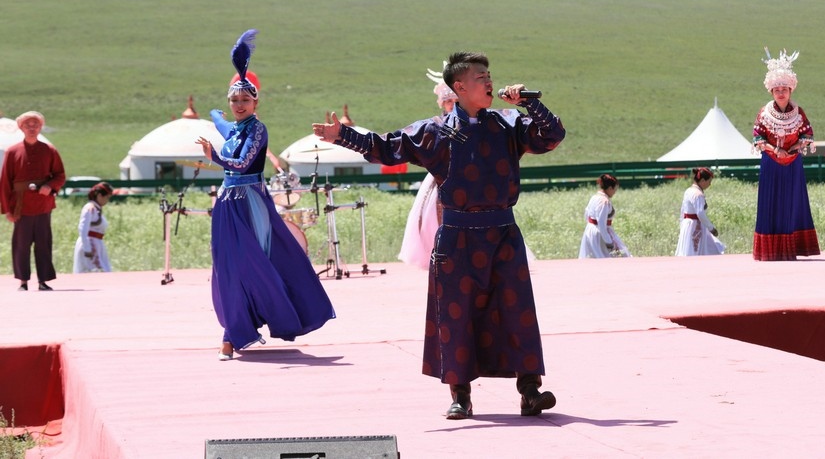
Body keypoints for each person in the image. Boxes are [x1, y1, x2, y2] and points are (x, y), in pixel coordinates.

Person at [313, 51, 565, 420]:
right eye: (480, 77)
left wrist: (529, 102)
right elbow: (387, 147)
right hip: (457, 238)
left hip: (503, 234)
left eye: (489, 75)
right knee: (455, 315)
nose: (489, 81)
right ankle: (461, 396)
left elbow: (552, 135)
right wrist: (344, 135)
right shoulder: (435, 131)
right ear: (459, 87)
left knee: (517, 312)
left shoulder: (507, 124)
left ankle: (530, 391)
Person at [196, 29, 335, 361]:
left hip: (251, 204)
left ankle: (243, 329)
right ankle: (233, 332)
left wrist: (214, 157)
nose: (239, 105)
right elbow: (225, 127)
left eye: (245, 100)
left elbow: (243, 163)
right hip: (227, 205)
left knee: (255, 265)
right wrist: (215, 116)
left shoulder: (258, 129)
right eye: (234, 101)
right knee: (227, 268)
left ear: (256, 103)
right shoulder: (235, 128)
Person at [751, 48, 820, 261]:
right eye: (777, 89)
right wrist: (775, 150)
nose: (781, 93)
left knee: (792, 203)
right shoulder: (764, 113)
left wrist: (795, 147)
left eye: (784, 89)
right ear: (771, 91)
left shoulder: (799, 113)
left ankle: (791, 248)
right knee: (770, 203)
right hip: (771, 164)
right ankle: (770, 251)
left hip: (793, 163)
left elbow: (807, 134)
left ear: (790, 90)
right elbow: (757, 138)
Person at [396, 64, 458, 269]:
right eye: (448, 101)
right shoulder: (437, 125)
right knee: (433, 214)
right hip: (441, 175)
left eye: (455, 100)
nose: (452, 104)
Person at [0, 111, 66, 291]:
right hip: (20, 206)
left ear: (40, 127)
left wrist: (50, 186)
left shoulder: (49, 150)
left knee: (43, 243)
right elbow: (5, 182)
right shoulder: (12, 151)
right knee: (21, 244)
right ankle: (23, 281)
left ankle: (43, 281)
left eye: (35, 124)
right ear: (21, 127)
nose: (31, 128)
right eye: (27, 125)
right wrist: (7, 210)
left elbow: (60, 175)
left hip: (43, 204)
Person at [675, 167, 726, 256]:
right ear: (702, 180)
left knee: (695, 250)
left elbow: (683, 210)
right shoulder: (698, 194)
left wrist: (682, 224)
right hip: (695, 226)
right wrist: (711, 228)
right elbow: (700, 213)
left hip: (687, 225)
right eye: (709, 182)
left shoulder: (689, 191)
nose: (709, 184)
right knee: (695, 251)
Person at [578, 174, 631, 258]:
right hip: (600, 234)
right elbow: (602, 224)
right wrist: (609, 242)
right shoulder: (604, 202)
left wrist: (591, 227)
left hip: (590, 231)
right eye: (614, 189)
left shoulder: (594, 197)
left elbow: (587, 214)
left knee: (593, 257)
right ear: (610, 188)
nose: (615, 192)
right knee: (616, 256)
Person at [72, 182, 115, 273]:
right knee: (95, 272)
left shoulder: (96, 209)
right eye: (107, 197)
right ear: (99, 195)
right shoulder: (89, 208)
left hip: (96, 243)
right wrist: (87, 248)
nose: (107, 201)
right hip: (90, 244)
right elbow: (83, 228)